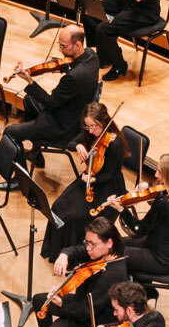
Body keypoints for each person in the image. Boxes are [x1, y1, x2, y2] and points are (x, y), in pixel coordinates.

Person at [3, 26, 100, 171]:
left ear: (78, 45)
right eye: (59, 45)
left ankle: (21, 179)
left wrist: (29, 80)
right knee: (29, 100)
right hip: (75, 111)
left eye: (63, 46)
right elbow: (74, 67)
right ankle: (37, 154)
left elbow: (50, 102)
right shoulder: (92, 56)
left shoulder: (73, 78)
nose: (60, 50)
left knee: (10, 132)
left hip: (62, 126)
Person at [41, 104, 129, 262]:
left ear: (103, 121)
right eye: (87, 126)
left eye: (93, 126)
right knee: (58, 206)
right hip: (90, 177)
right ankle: (56, 251)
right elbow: (70, 143)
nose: (90, 131)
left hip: (107, 185)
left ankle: (74, 255)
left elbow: (110, 174)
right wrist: (79, 145)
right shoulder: (90, 133)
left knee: (75, 216)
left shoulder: (115, 143)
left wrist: (93, 179)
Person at [117, 154, 169, 279]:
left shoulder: (163, 204)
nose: (155, 175)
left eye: (159, 172)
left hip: (161, 258)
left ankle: (133, 290)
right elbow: (165, 206)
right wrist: (149, 187)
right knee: (116, 243)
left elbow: (138, 231)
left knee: (113, 252)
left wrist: (122, 210)